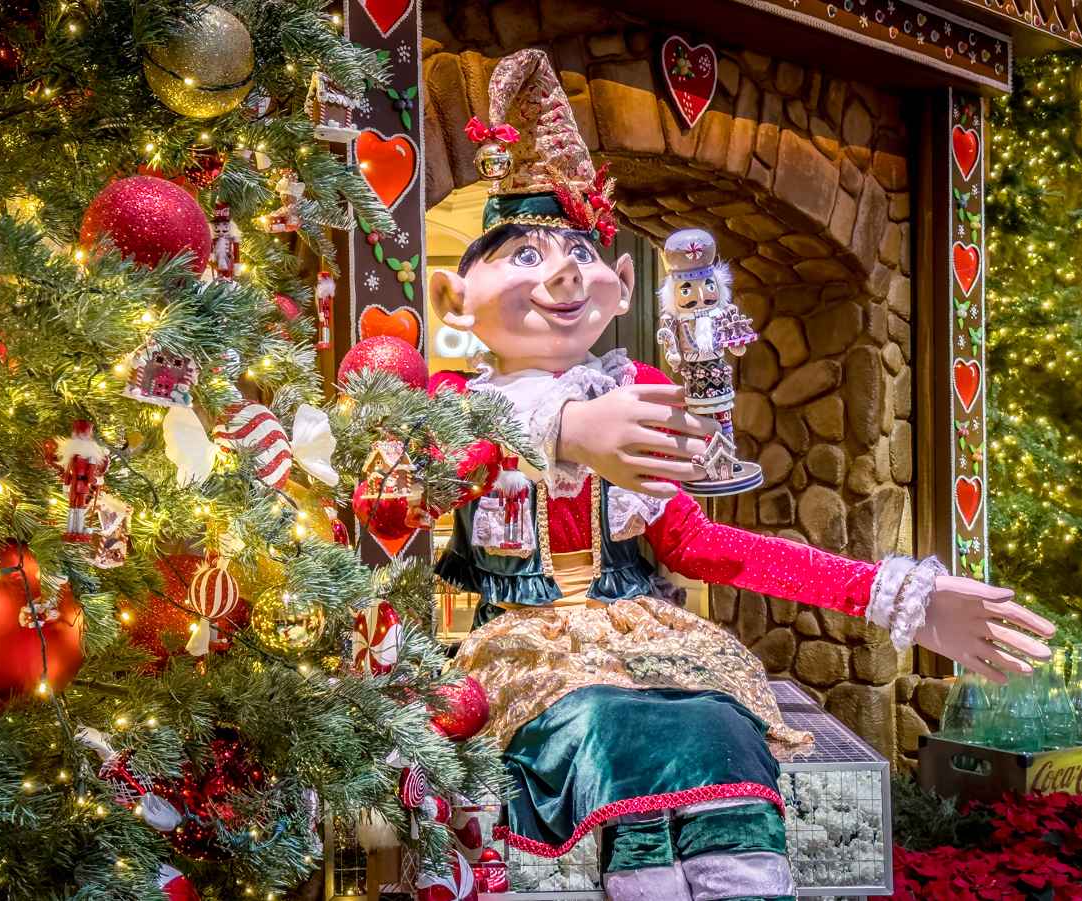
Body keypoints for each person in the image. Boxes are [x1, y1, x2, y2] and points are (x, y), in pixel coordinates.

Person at [428, 49, 1053, 901]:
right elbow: (437, 463)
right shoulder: (448, 404)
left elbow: (705, 544)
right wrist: (567, 429)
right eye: (524, 255)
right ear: (452, 299)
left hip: (649, 636)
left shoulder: (635, 392)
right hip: (530, 644)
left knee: (719, 719)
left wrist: (894, 596)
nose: (563, 271)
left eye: (577, 249)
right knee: (600, 722)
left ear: (615, 292)